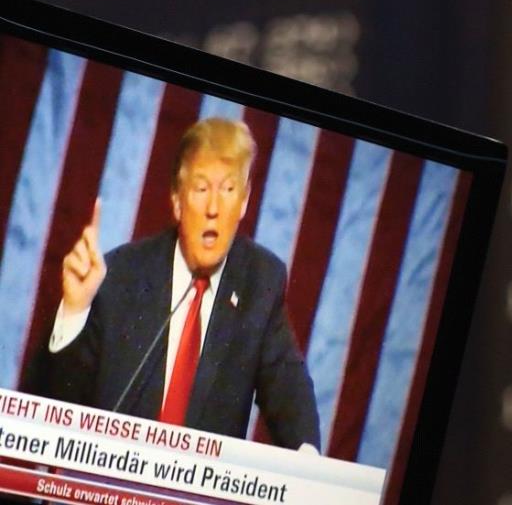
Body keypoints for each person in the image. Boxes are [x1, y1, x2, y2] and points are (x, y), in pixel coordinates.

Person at [48, 117, 320, 451]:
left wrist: (308, 461)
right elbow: (55, 403)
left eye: (229, 189)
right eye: (202, 188)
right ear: (177, 201)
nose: (214, 208)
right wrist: (75, 311)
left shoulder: (259, 281)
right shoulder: (120, 275)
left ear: (245, 201)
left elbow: (287, 385)